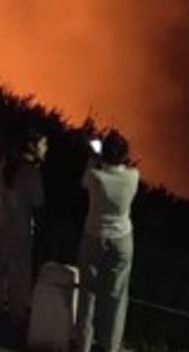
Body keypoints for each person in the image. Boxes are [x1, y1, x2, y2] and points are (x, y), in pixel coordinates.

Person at [75, 130, 139, 352]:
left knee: (88, 293)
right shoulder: (133, 177)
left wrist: (95, 155)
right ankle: (109, 346)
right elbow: (126, 167)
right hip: (121, 240)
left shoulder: (94, 176)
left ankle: (82, 344)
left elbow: (85, 180)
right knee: (115, 297)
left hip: (93, 236)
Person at [0, 127, 48, 329]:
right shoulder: (31, 172)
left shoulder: (6, 163)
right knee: (18, 275)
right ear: (33, 146)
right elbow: (38, 200)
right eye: (44, 144)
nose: (47, 148)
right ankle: (16, 316)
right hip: (18, 231)